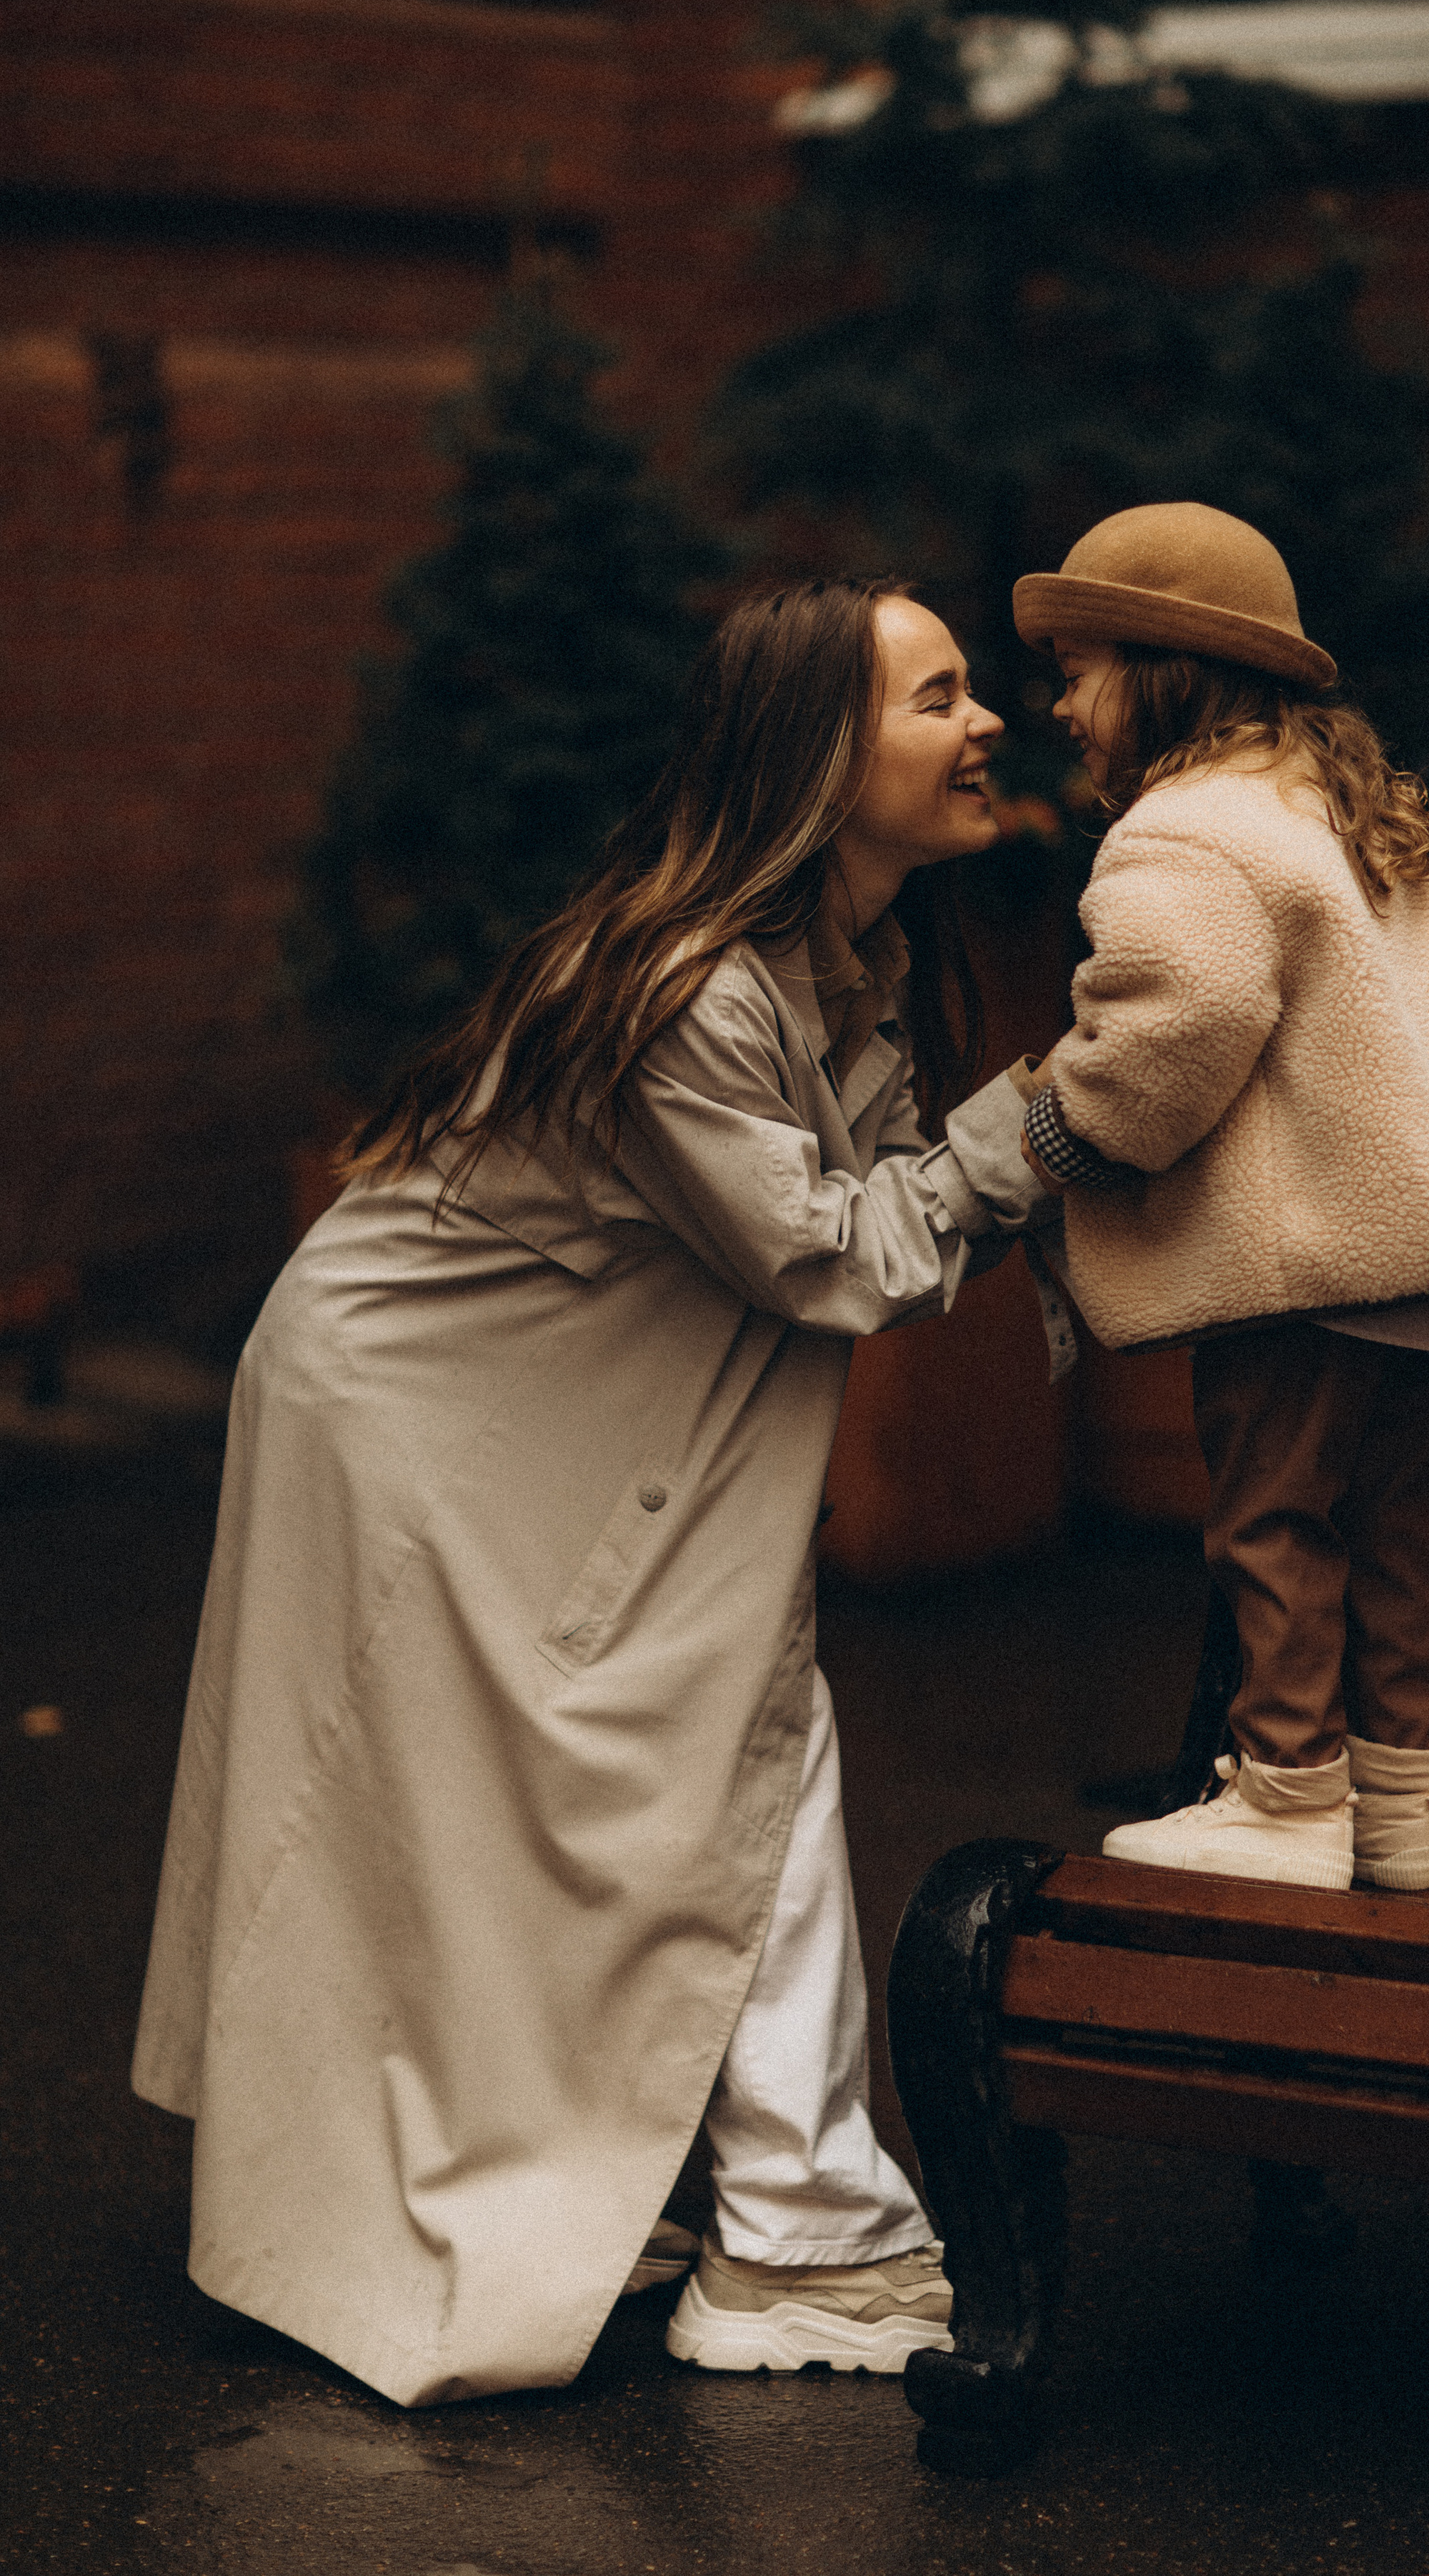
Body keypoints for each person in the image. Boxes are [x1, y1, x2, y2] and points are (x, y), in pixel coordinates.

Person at [131, 578, 1052, 2404]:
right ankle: (783, 2235)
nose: (987, 724)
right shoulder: (691, 991)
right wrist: (1053, 1118)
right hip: (417, 1411)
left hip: (571, 1387)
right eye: (939, 696)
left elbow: (875, 1227)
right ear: (814, 754)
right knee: (553, 1776)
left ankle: (695, 2196)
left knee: (680, 1744)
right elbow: (834, 1260)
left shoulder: (836, 962)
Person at [1012, 504, 1429, 1894]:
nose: (1059, 705)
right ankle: (1402, 1809)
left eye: (1082, 668)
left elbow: (1172, 1024)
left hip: (1312, 1276)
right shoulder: (1376, 822)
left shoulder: (1188, 832)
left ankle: (1284, 1793)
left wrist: (1062, 1131)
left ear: (1167, 674)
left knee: (1274, 1522)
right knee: (1397, 1540)